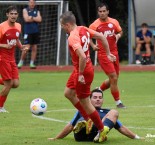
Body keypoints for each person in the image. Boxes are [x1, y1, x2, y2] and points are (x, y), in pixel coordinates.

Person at [56, 11, 116, 143]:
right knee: (68, 93)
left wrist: (81, 74)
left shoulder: (72, 37)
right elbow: (101, 36)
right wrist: (108, 53)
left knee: (86, 102)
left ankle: (101, 129)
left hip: (83, 70)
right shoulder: (83, 28)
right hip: (81, 69)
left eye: (62, 25)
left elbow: (82, 56)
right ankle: (87, 118)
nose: (62, 28)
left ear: (67, 24)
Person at [48, 89, 144, 142]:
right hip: (81, 136)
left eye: (100, 98)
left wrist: (136, 137)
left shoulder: (107, 112)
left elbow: (121, 127)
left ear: (102, 100)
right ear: (90, 99)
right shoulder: (83, 109)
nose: (98, 99)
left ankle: (100, 132)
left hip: (95, 135)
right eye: (95, 97)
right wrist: (56, 138)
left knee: (114, 112)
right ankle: (84, 125)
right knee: (86, 119)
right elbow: (70, 126)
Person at [89, 3, 126, 108]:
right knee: (113, 77)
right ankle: (118, 102)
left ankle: (99, 90)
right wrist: (92, 45)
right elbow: (87, 35)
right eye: (100, 11)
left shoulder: (114, 22)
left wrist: (118, 35)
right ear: (98, 13)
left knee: (114, 79)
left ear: (108, 11)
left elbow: (120, 31)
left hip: (114, 53)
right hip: (103, 54)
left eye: (104, 11)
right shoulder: (94, 25)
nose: (102, 13)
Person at [0, 6, 28, 113]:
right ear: (7, 15)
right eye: (11, 14)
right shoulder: (2, 27)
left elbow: (16, 39)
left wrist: (21, 47)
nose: (13, 16)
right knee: (9, 84)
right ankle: (0, 106)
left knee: (15, 83)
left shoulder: (18, 26)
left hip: (11, 59)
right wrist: (4, 46)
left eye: (15, 14)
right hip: (2, 58)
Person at [17, 0, 42, 69]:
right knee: (26, 47)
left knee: (34, 47)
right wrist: (34, 18)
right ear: (29, 3)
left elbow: (39, 19)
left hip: (35, 32)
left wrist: (32, 17)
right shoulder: (25, 10)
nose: (32, 4)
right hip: (28, 32)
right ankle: (20, 62)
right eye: (31, 2)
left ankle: (32, 63)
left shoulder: (37, 11)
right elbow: (26, 19)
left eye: (33, 3)